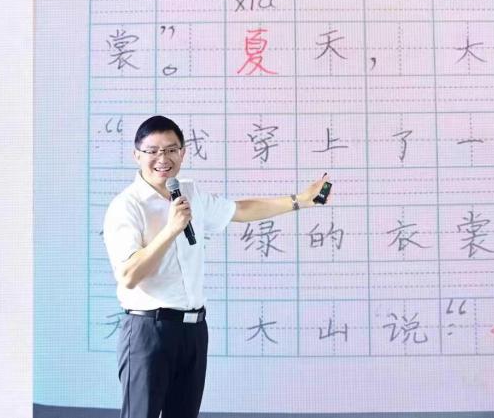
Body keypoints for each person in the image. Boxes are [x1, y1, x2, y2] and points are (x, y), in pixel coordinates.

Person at [103, 115, 329, 418]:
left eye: (171, 149)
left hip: (193, 331)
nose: (163, 159)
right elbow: (129, 275)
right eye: (153, 151)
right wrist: (171, 229)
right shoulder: (126, 206)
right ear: (137, 155)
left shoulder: (189, 194)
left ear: (183, 152)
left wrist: (300, 200)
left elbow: (240, 210)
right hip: (148, 332)